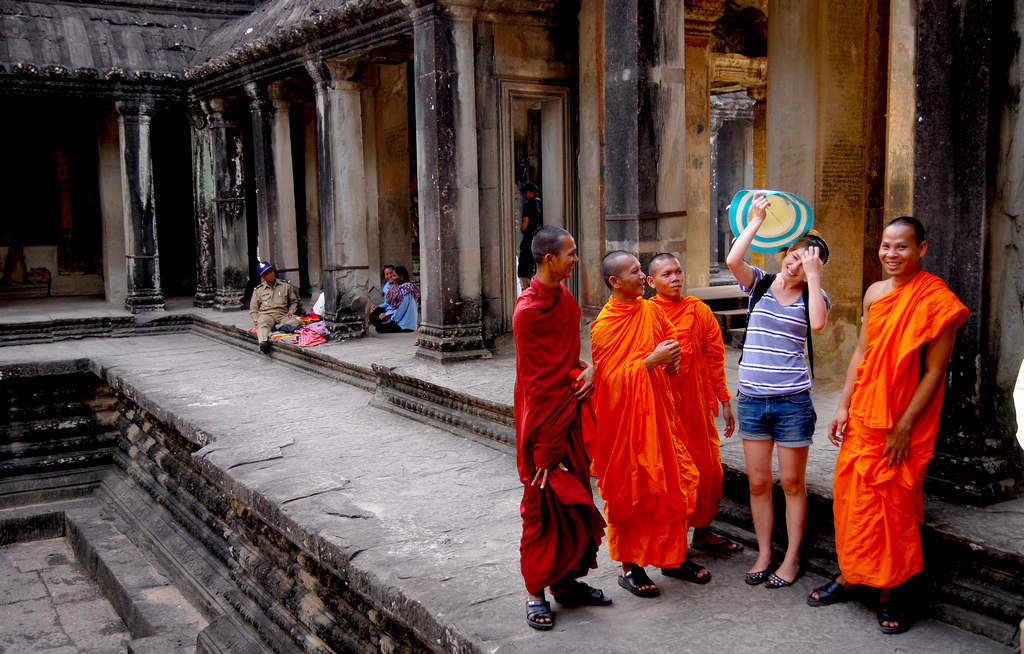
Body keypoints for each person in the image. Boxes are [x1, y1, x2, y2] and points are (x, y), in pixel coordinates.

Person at [808, 216, 967, 635]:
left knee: (894, 509)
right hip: (864, 413)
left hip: (902, 419)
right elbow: (862, 352)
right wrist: (843, 405)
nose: (891, 255)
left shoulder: (936, 301)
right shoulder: (875, 293)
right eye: (885, 246)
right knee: (851, 501)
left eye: (902, 247)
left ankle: (891, 592)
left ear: (922, 249)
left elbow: (935, 372)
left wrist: (903, 428)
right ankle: (851, 575)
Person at [725, 192, 830, 589]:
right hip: (752, 398)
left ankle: (791, 558)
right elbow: (734, 260)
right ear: (785, 251)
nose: (796, 262)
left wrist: (813, 274)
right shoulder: (761, 283)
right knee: (756, 482)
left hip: (792, 402)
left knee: (791, 483)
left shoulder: (814, 297)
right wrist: (755, 220)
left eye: (806, 259)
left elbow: (818, 325)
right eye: (795, 254)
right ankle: (765, 551)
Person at [586, 250, 700, 599]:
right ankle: (631, 566)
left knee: (671, 486)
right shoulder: (604, 326)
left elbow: (672, 348)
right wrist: (650, 361)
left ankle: (672, 557)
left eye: (640, 270)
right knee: (631, 492)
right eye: (635, 272)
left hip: (661, 416)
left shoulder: (651, 310)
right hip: (626, 427)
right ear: (614, 282)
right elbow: (607, 382)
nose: (641, 277)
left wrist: (671, 360)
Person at [515, 225, 609, 631]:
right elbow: (537, 382)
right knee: (542, 508)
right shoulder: (528, 311)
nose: (577, 259)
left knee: (574, 506)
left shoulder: (565, 298)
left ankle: (567, 583)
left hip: (568, 411)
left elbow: (566, 358)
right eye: (570, 253)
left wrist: (588, 371)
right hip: (543, 422)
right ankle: (536, 592)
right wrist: (545, 446)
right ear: (548, 259)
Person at [647, 253, 741, 568]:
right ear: (652, 282)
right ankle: (673, 546)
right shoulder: (646, 315)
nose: (675, 278)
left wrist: (725, 399)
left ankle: (702, 532)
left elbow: (715, 356)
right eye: (666, 274)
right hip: (663, 408)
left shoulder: (699, 311)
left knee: (708, 472)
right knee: (671, 477)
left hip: (697, 406)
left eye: (678, 271)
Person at [249, 261, 303, 354]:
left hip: (282, 315)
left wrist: (291, 312)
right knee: (263, 324)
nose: (270, 274)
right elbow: (253, 309)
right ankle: (263, 342)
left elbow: (294, 302)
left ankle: (277, 327)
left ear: (273, 271)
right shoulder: (258, 290)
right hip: (267, 314)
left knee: (296, 322)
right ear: (263, 277)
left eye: (270, 271)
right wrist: (256, 320)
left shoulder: (285, 285)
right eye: (266, 274)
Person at [370, 265, 419, 334]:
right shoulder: (398, 288)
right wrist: (379, 307)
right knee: (375, 317)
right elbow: (390, 304)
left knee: (379, 329)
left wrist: (390, 319)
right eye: (387, 274)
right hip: (397, 317)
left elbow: (400, 310)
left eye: (394, 275)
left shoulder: (405, 291)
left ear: (401, 277)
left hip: (405, 322)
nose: (391, 277)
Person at [518, 182, 543, 290]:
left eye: (526, 192)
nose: (524, 195)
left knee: (524, 263)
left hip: (529, 238)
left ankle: (526, 287)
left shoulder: (528, 205)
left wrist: (523, 229)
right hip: (539, 237)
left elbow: (525, 224)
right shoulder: (540, 204)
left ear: (531, 193)